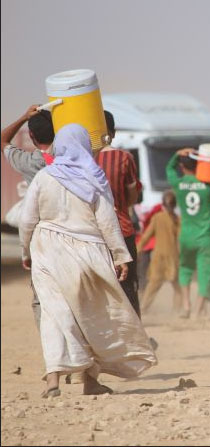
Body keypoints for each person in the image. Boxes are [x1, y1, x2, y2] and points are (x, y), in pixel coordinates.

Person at [19, 124, 157, 398]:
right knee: (91, 314)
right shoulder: (94, 177)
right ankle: (90, 381)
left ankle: (54, 381)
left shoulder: (44, 177)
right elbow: (108, 221)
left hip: (47, 248)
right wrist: (120, 255)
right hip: (89, 251)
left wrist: (26, 252)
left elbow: (27, 220)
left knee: (53, 312)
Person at [1, 105, 55, 329]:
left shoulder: (28, 162)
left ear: (31, 136)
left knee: (42, 297)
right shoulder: (71, 159)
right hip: (74, 236)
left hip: (42, 241)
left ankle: (54, 350)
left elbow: (2, 140)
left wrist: (24, 116)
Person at [96, 111, 143, 316]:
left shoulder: (83, 159)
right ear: (112, 133)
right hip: (122, 229)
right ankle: (136, 339)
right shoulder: (124, 158)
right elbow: (132, 197)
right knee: (128, 287)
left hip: (93, 233)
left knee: (99, 291)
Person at [166, 148, 210, 319]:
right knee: (205, 272)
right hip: (205, 237)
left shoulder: (179, 184)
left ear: (182, 167)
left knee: (185, 269)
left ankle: (186, 305)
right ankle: (198, 310)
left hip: (186, 236)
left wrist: (177, 154)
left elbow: (169, 169)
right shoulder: (208, 186)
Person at [137, 190, 182, 313]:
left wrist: (137, 250)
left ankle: (143, 309)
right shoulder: (178, 220)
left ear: (163, 204)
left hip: (159, 258)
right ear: (175, 205)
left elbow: (146, 236)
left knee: (152, 286)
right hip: (173, 257)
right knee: (178, 287)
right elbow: (181, 239)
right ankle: (177, 312)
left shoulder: (157, 218)